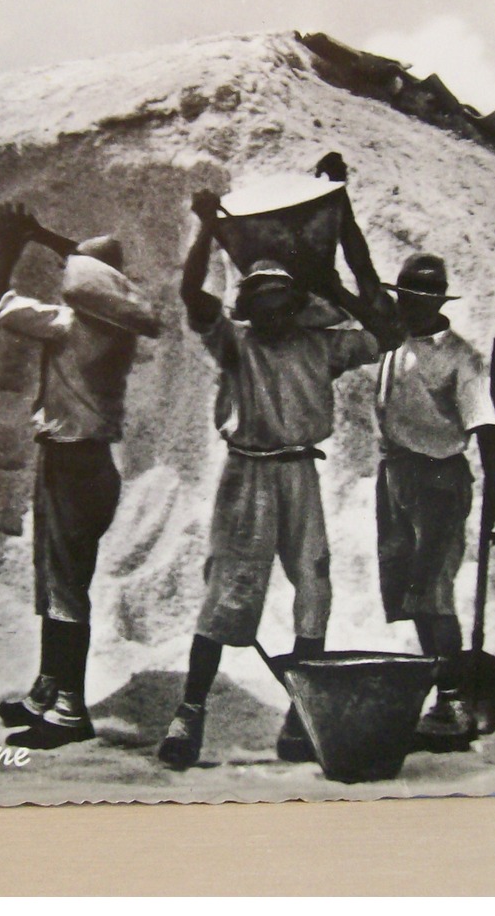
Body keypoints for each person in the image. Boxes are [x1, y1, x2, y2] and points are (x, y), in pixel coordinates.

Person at [158, 191, 382, 770]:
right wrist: (206, 228)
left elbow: (388, 330)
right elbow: (191, 296)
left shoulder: (323, 345)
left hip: (300, 473)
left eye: (283, 299)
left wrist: (335, 278)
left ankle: (299, 716)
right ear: (250, 307)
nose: (273, 311)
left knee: (314, 584)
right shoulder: (237, 344)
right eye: (262, 300)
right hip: (248, 476)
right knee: (226, 589)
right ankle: (189, 711)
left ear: (295, 304)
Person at [0, 204, 161, 750]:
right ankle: (49, 688)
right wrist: (47, 237)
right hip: (92, 463)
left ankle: (68, 709)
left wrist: (11, 244)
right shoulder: (114, 328)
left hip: (69, 461)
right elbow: (92, 270)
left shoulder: (64, 325)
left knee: (64, 590)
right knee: (61, 582)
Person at [373, 253, 495, 737]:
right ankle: (440, 691)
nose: (411, 307)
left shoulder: (460, 357)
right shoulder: (391, 345)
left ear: (438, 303)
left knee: (432, 591)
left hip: (440, 482)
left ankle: (452, 702)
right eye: (404, 298)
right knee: (408, 593)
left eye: (421, 300)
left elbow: (487, 431)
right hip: (395, 476)